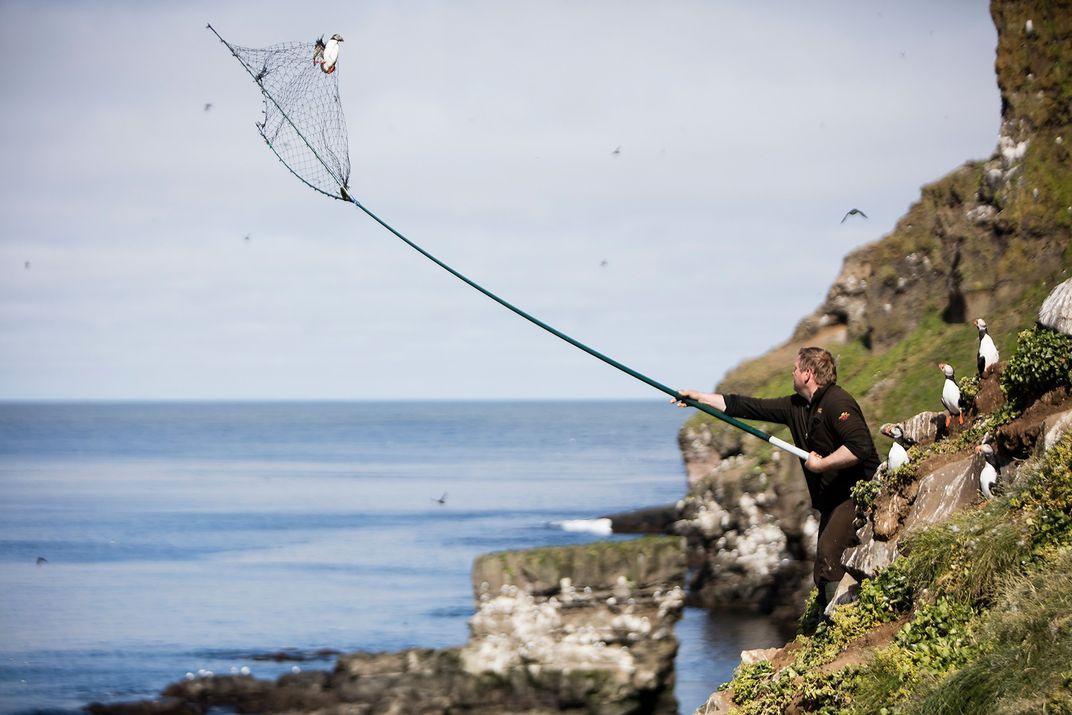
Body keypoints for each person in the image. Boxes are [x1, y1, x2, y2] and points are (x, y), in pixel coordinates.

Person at [676, 346, 879, 610]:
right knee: (823, 565)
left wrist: (822, 464)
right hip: (832, 499)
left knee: (828, 557)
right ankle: (833, 620)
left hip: (856, 491)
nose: (791, 373)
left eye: (794, 369)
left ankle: (840, 627)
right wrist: (698, 398)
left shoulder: (837, 402)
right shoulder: (796, 406)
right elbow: (746, 406)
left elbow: (859, 447)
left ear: (807, 374)